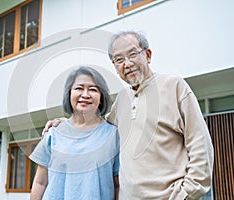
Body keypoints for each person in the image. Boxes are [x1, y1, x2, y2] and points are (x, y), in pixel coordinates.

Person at [43, 31, 214, 200]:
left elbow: (200, 144)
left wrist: (187, 193)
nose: (127, 63)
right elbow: (96, 126)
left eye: (133, 54)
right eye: (119, 59)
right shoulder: (122, 99)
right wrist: (66, 122)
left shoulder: (174, 86)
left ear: (147, 55)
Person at [29, 66, 120, 200]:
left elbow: (117, 185)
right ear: (69, 94)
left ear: (101, 98)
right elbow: (40, 182)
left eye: (93, 89)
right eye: (79, 88)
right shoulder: (53, 133)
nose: (85, 94)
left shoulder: (113, 135)